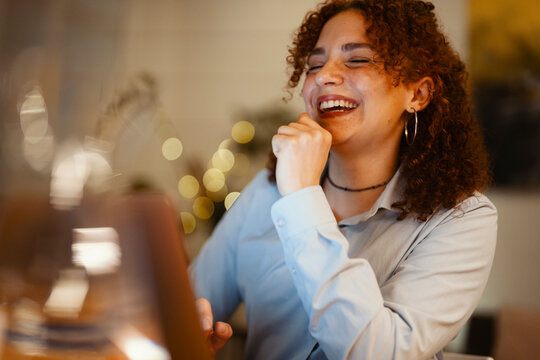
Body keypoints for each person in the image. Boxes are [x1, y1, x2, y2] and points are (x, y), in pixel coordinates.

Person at [190, 0, 497, 359]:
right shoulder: (265, 191)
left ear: (418, 93)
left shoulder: (461, 219)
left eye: (358, 59)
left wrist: (303, 199)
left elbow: (377, 352)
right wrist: (188, 335)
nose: (323, 76)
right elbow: (189, 301)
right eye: (315, 64)